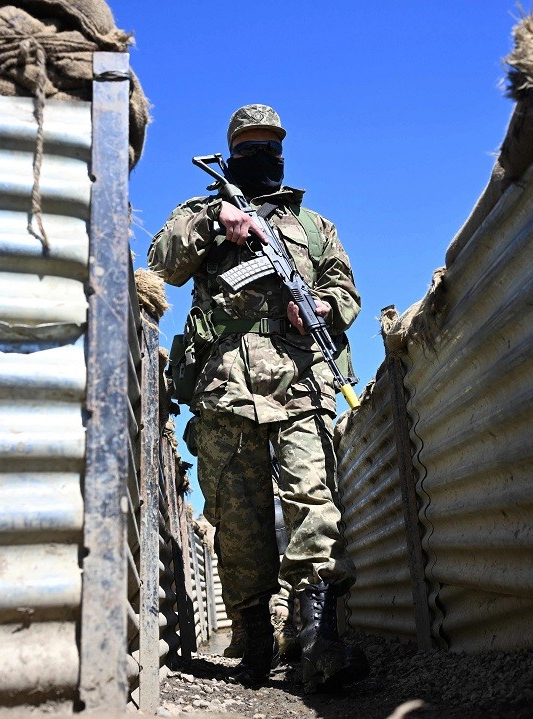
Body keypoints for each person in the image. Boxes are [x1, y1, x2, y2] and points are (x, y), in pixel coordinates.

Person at [148, 104, 368, 692]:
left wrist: (321, 305)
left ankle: (320, 640)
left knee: (313, 503)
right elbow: (163, 263)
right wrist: (216, 221)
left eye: (271, 145)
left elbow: (346, 291)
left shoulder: (313, 226)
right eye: (249, 146)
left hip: (302, 382)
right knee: (239, 520)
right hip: (225, 388)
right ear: (231, 153)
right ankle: (253, 639)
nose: (262, 155)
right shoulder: (198, 212)